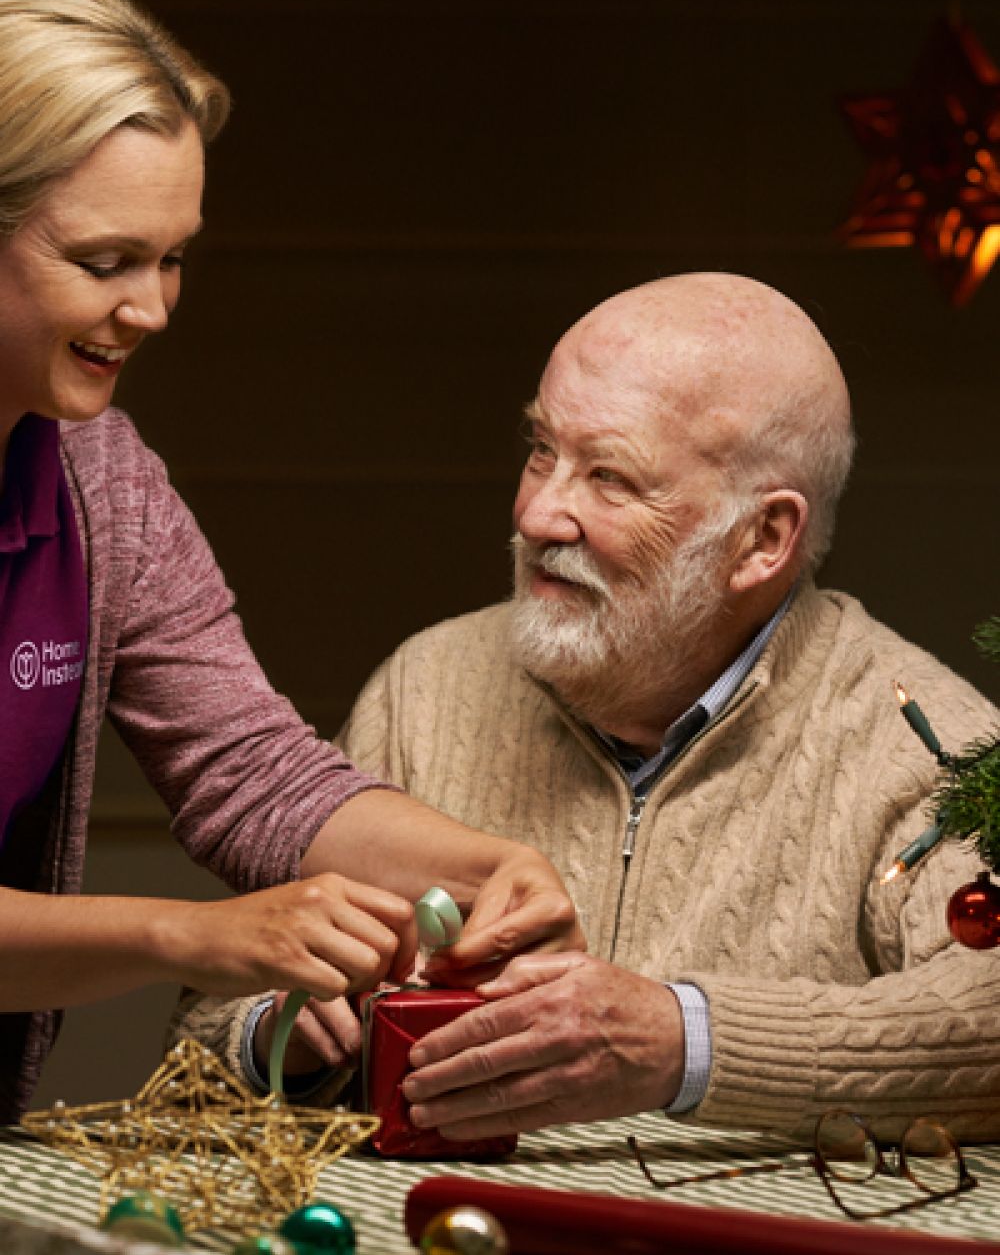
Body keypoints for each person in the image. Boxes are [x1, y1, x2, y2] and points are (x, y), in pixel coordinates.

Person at [183, 271, 1000, 1144]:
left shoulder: (932, 744)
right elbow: (198, 1035)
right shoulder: (425, 687)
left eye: (609, 476)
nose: (537, 512)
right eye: (542, 449)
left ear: (763, 539)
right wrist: (279, 1036)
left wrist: (681, 1042)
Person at [0, 0, 582, 1125]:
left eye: (172, 258)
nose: (153, 308)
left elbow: (248, 767)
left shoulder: (101, 479)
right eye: (104, 261)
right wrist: (190, 932)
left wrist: (473, 867)